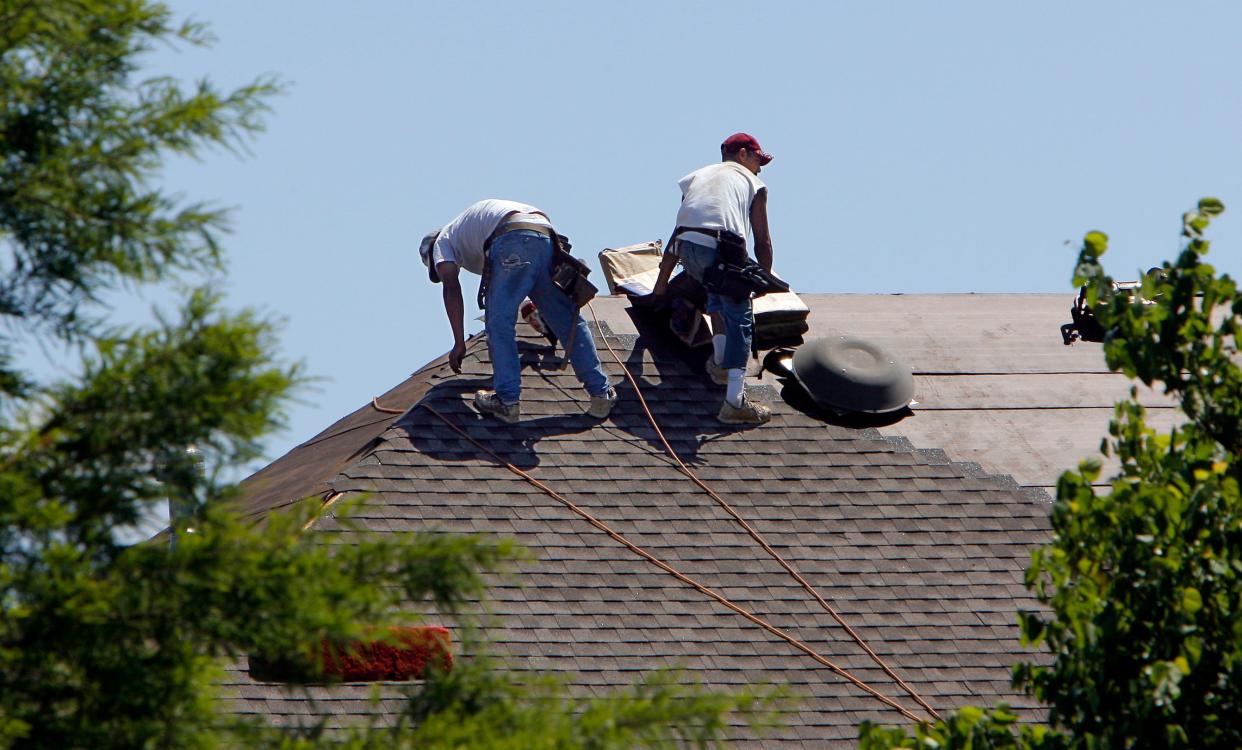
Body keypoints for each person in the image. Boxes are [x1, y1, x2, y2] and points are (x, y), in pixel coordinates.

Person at [419, 199, 617, 423]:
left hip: (513, 235)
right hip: (544, 233)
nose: (441, 269)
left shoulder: (443, 242)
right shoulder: (469, 233)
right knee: (566, 319)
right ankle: (601, 393)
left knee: (499, 324)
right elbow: (518, 279)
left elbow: (451, 287)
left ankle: (507, 401)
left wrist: (458, 342)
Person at [651, 133, 775, 425]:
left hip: (689, 249)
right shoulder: (753, 182)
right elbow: (762, 240)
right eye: (758, 160)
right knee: (741, 316)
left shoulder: (697, 177)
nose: (759, 168)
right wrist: (764, 281)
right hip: (723, 246)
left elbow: (682, 226)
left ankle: (720, 362)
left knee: (716, 291)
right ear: (744, 154)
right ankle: (735, 402)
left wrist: (662, 280)